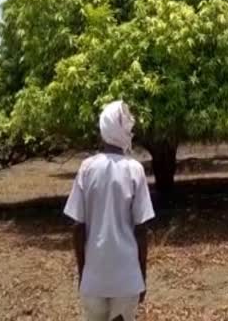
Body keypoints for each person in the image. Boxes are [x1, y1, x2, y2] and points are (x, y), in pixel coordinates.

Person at [64, 100, 155, 321]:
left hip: (94, 276)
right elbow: (141, 230)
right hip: (126, 277)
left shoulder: (87, 168)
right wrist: (141, 276)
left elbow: (78, 228)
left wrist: (83, 273)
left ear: (104, 131)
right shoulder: (135, 170)